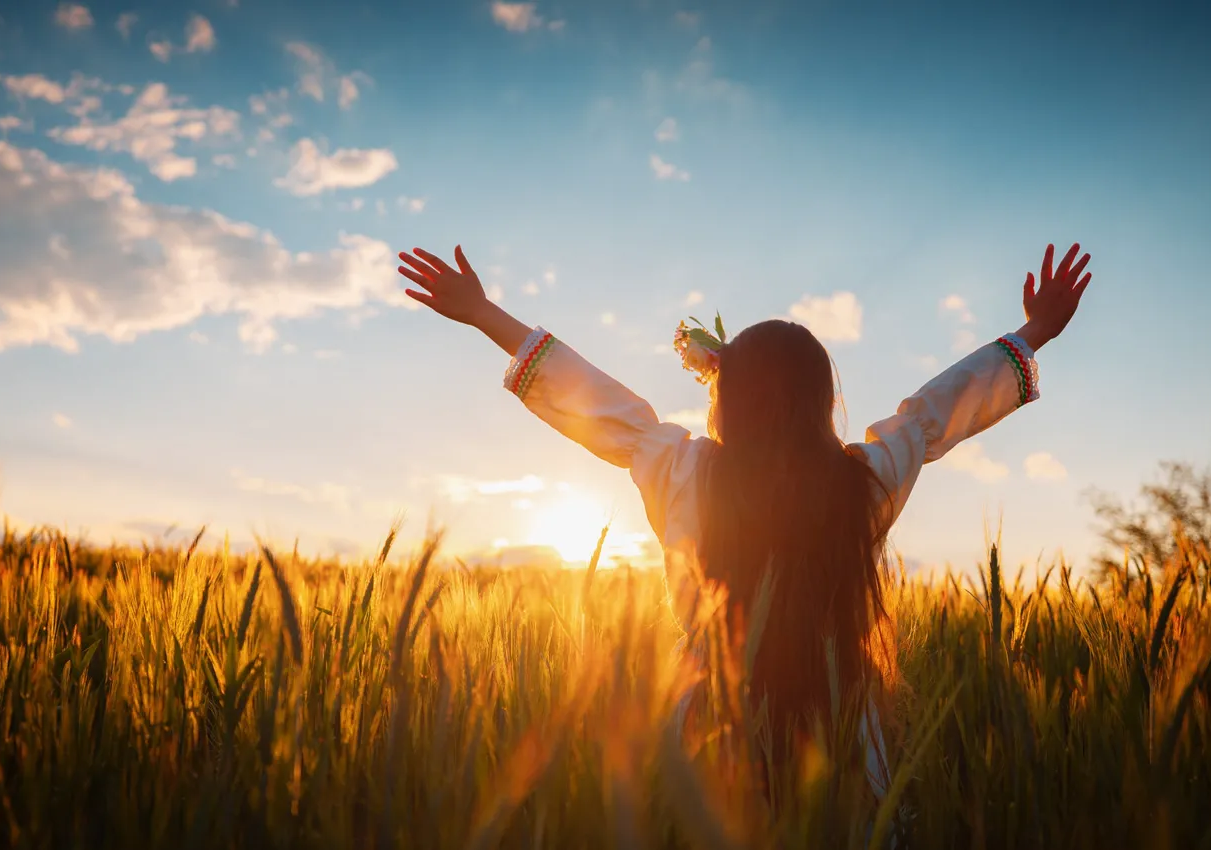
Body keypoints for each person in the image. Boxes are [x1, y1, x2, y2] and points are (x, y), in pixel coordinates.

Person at [396, 241, 1092, 806]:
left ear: (728, 397)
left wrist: (487, 314)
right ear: (820, 402)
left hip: (709, 737)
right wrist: (1035, 331)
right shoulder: (866, 480)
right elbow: (937, 412)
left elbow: (599, 400)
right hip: (846, 732)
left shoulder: (683, 471)